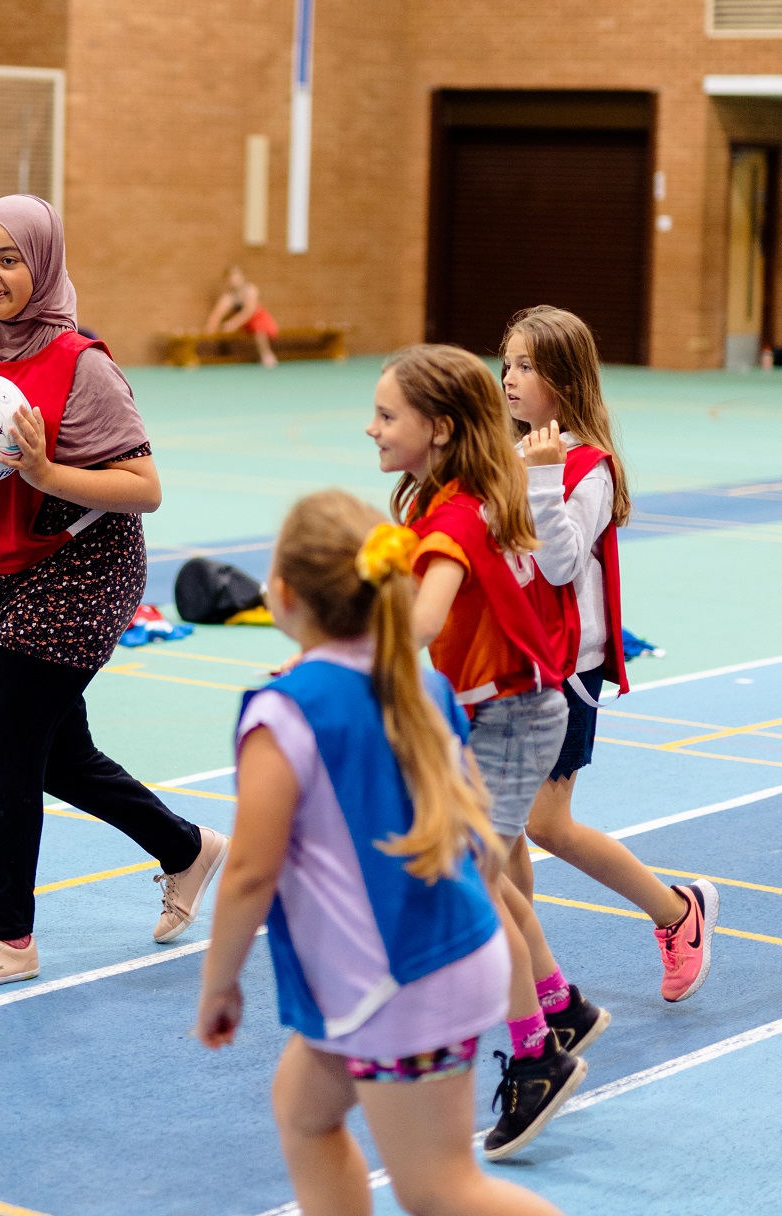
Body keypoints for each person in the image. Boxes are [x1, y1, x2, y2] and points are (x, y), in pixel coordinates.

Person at [0, 194, 226, 990]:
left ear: (45, 263)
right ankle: (187, 849)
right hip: (12, 568)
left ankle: (8, 937)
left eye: (11, 259)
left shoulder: (82, 365)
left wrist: (43, 471)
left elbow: (145, 487)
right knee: (57, 753)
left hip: (85, 568)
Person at [194, 491, 563, 1216]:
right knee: (304, 1112)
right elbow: (478, 830)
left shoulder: (287, 713)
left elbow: (248, 874)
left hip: (403, 982)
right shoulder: (421, 684)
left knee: (441, 1188)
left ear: (284, 594)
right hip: (431, 960)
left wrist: (219, 985)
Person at [371, 343, 588, 1159]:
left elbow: (423, 624)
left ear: (440, 428)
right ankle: (557, 1003)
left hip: (512, 717)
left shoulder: (455, 518)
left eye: (388, 415)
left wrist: (347, 646)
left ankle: (535, 1057)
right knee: (484, 878)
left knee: (467, 887)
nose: (372, 427)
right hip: (501, 711)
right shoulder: (447, 498)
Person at [501, 306, 718, 1002]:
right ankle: (527, 979)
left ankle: (678, 912)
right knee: (499, 828)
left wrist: (540, 478)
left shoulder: (589, 467)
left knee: (545, 825)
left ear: (563, 379)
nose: (509, 376)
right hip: (509, 663)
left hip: (567, 667)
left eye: (527, 365)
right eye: (505, 362)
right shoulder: (506, 455)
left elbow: (562, 565)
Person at [206, 264, 281, 368]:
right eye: (230, 277)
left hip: (258, 319)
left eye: (236, 275)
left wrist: (233, 324)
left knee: (259, 330)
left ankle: (266, 354)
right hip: (243, 324)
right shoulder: (228, 297)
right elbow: (216, 315)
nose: (233, 279)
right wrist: (210, 331)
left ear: (242, 276)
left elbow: (249, 311)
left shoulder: (251, 290)